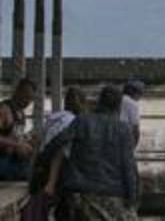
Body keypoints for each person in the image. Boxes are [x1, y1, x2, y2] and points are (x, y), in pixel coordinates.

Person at [60, 85, 139, 221]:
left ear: (99, 102)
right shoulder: (123, 129)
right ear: (119, 107)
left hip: (81, 194)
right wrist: (132, 197)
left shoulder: (82, 121)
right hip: (112, 194)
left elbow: (57, 143)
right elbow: (129, 167)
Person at [26, 88, 86, 221]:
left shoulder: (53, 118)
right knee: (64, 210)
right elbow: (60, 151)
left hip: (42, 169)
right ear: (81, 104)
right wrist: (52, 182)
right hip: (58, 173)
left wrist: (32, 174)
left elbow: (38, 144)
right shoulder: (74, 122)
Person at [0, 78, 36, 181]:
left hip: (14, 161)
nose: (28, 101)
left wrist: (27, 141)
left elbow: (15, 137)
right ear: (18, 92)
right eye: (26, 96)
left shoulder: (21, 114)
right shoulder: (4, 110)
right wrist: (16, 145)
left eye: (30, 99)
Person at [120, 81, 143, 149]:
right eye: (141, 93)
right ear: (135, 93)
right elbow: (135, 128)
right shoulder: (132, 104)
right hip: (125, 137)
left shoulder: (117, 99)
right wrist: (133, 147)